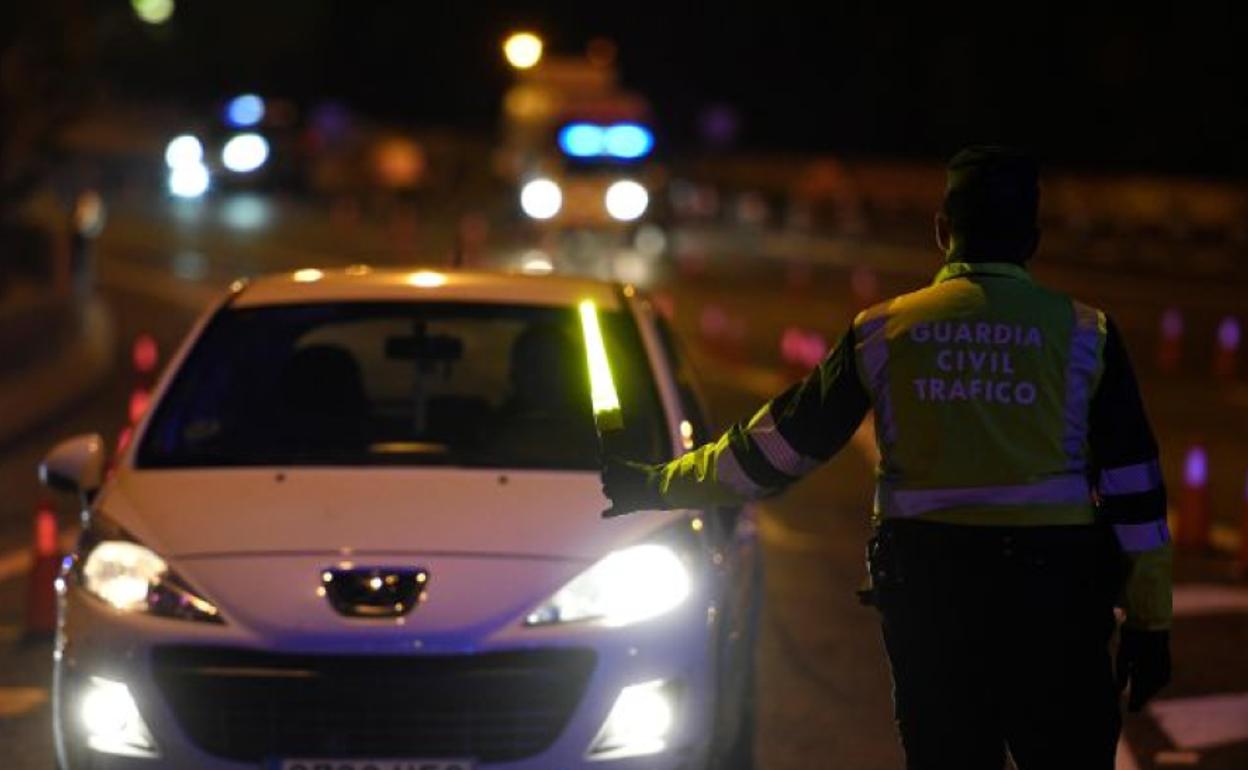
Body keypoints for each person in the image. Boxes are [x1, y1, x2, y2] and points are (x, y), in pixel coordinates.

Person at [601, 146, 1172, 770]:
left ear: (941, 232)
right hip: (1057, 600)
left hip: (932, 596)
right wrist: (1149, 624)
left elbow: (778, 451)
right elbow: (1135, 492)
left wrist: (657, 485)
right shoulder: (1088, 334)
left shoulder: (884, 331)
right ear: (1032, 239)